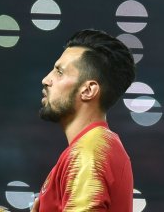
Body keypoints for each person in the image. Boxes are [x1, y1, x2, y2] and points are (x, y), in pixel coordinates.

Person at [32, 29, 136, 212]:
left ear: (88, 90)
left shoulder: (88, 153)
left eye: (59, 72)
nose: (46, 79)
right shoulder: (94, 146)